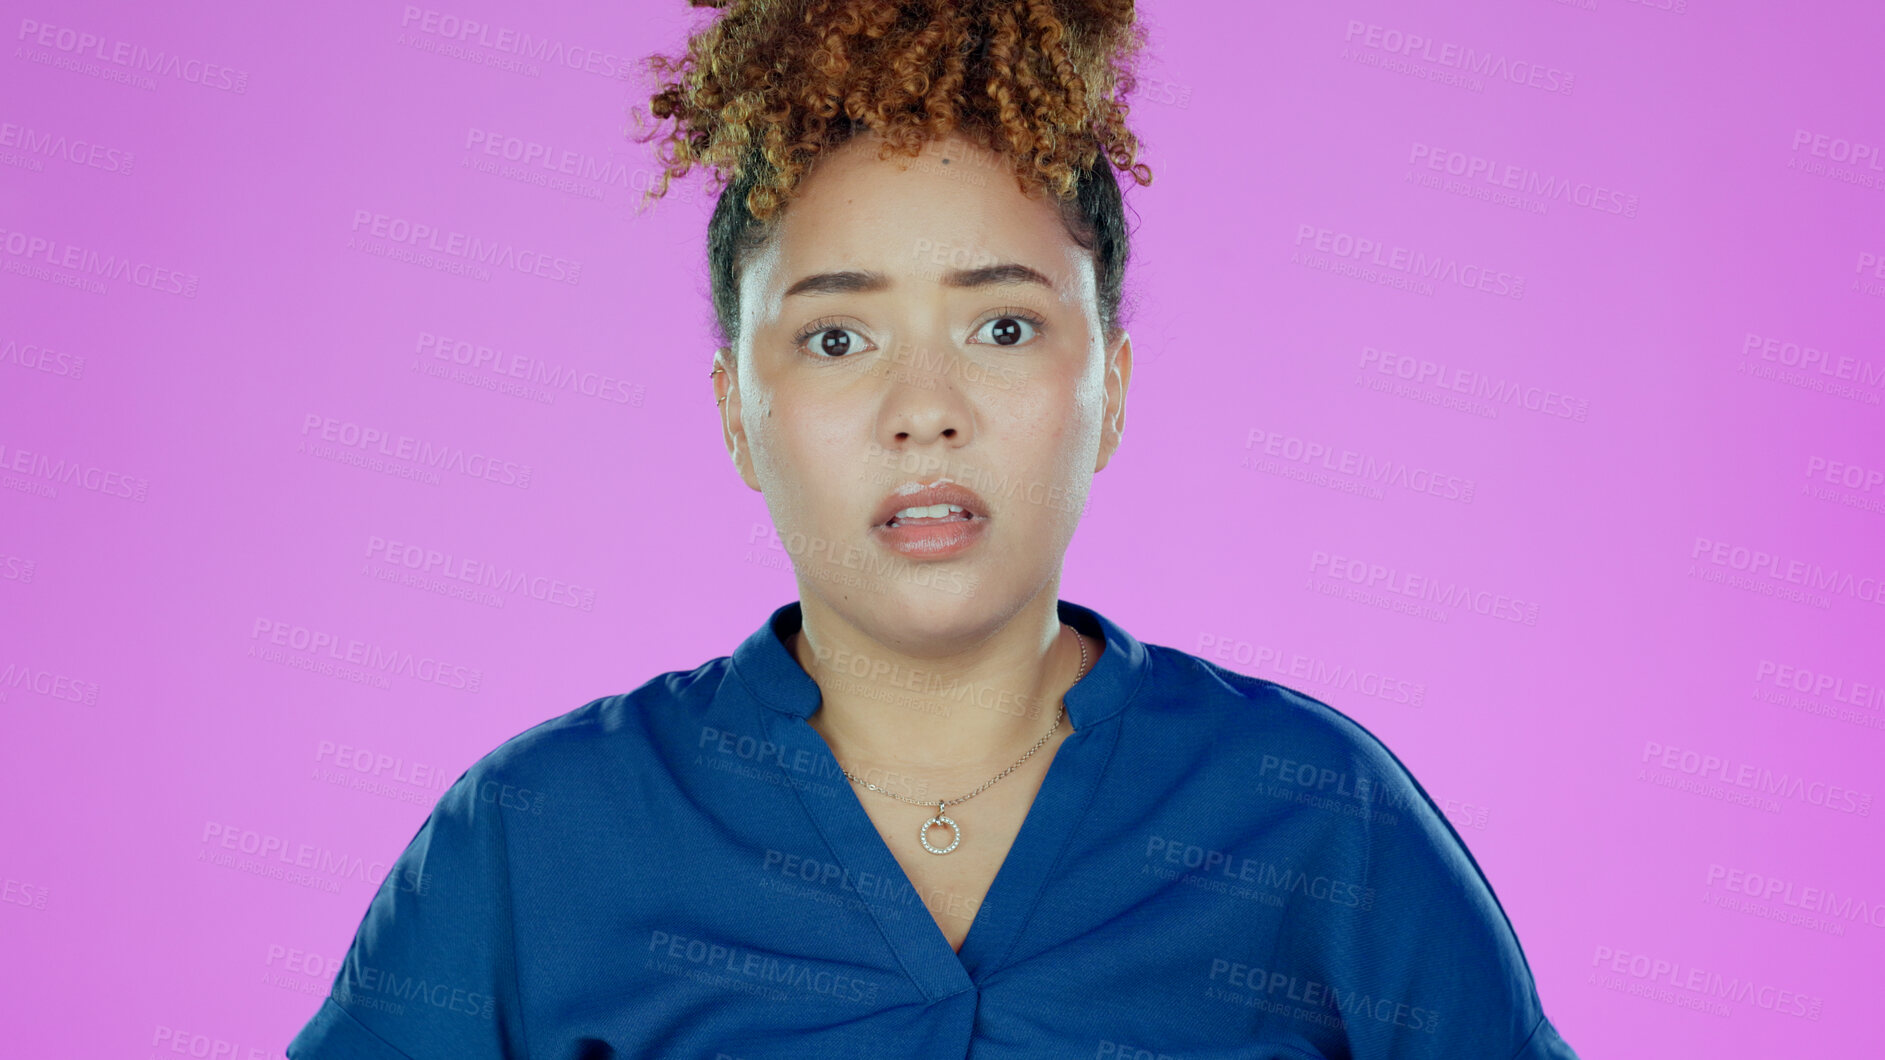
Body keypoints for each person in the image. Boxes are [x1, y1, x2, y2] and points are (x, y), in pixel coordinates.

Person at [288, 1, 1580, 1056]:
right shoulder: (538, 833)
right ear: (739, 412)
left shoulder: (1311, 811)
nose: (925, 412)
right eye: (837, 337)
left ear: (1109, 389)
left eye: (1002, 327)